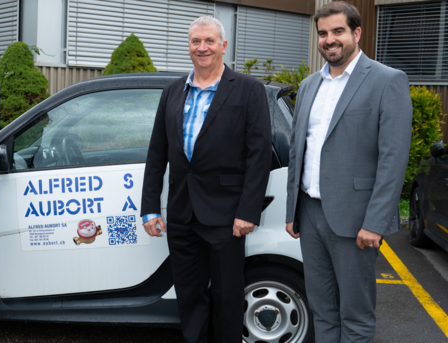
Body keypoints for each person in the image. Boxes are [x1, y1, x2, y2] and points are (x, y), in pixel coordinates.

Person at [285, 2, 412, 342]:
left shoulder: (388, 81)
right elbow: (299, 150)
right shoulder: (310, 85)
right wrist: (291, 211)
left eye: (338, 31)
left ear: (356, 33)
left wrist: (375, 221)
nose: (330, 39)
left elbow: (393, 157)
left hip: (355, 218)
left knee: (355, 316)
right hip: (310, 214)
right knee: (322, 311)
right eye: (323, 33)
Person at [141, 16, 272, 343]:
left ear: (223, 46)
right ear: (189, 46)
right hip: (182, 214)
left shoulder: (248, 90)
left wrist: (248, 211)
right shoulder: (172, 91)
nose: (202, 48)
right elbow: (158, 152)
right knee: (189, 293)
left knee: (227, 296)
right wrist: (150, 208)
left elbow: (259, 155)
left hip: (227, 216)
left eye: (209, 41)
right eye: (195, 42)